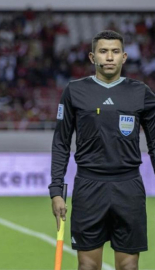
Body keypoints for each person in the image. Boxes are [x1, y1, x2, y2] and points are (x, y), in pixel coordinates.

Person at [50, 30, 155, 270]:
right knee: (87, 266)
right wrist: (56, 190)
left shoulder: (141, 93)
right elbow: (61, 143)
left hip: (129, 187)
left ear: (124, 57)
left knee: (129, 266)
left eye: (115, 52)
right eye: (103, 51)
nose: (109, 57)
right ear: (92, 57)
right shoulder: (74, 91)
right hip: (89, 187)